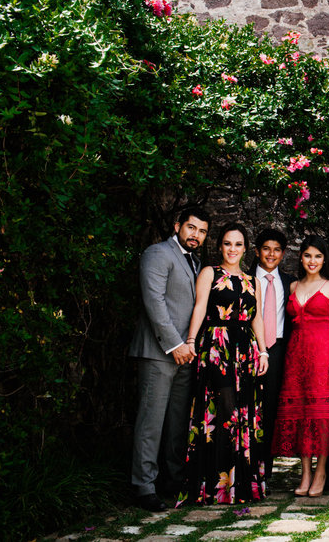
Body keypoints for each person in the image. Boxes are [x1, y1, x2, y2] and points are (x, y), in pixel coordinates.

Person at [181, 222, 268, 505]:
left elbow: (256, 317)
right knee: (224, 411)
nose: (232, 249)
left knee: (243, 415)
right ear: (220, 246)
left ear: (245, 248)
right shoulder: (210, 273)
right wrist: (192, 340)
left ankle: (240, 485)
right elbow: (199, 306)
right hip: (217, 347)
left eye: (238, 244)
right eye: (228, 243)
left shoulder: (252, 280)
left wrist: (264, 352)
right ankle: (215, 486)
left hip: (245, 350)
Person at [129, 208, 210, 511]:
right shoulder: (157, 253)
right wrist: (174, 344)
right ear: (178, 226)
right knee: (151, 421)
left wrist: (189, 346)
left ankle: (172, 481)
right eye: (191, 228)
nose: (196, 235)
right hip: (158, 352)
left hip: (186, 355)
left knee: (177, 422)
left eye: (202, 231)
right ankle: (143, 487)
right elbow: (155, 301)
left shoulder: (195, 262)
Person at [271, 235, 329, 497]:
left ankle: (322, 471)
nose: (312, 261)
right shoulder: (293, 286)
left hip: (324, 352)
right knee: (302, 414)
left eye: (317, 256)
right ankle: (305, 472)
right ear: (301, 258)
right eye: (307, 255)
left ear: (324, 259)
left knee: (322, 415)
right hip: (296, 355)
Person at [253, 227, 295, 482]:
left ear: (282, 254)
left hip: (278, 349)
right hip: (249, 348)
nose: (271, 254)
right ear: (257, 251)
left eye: (277, 250)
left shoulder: (290, 282)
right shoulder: (245, 278)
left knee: (269, 410)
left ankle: (264, 471)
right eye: (266, 249)